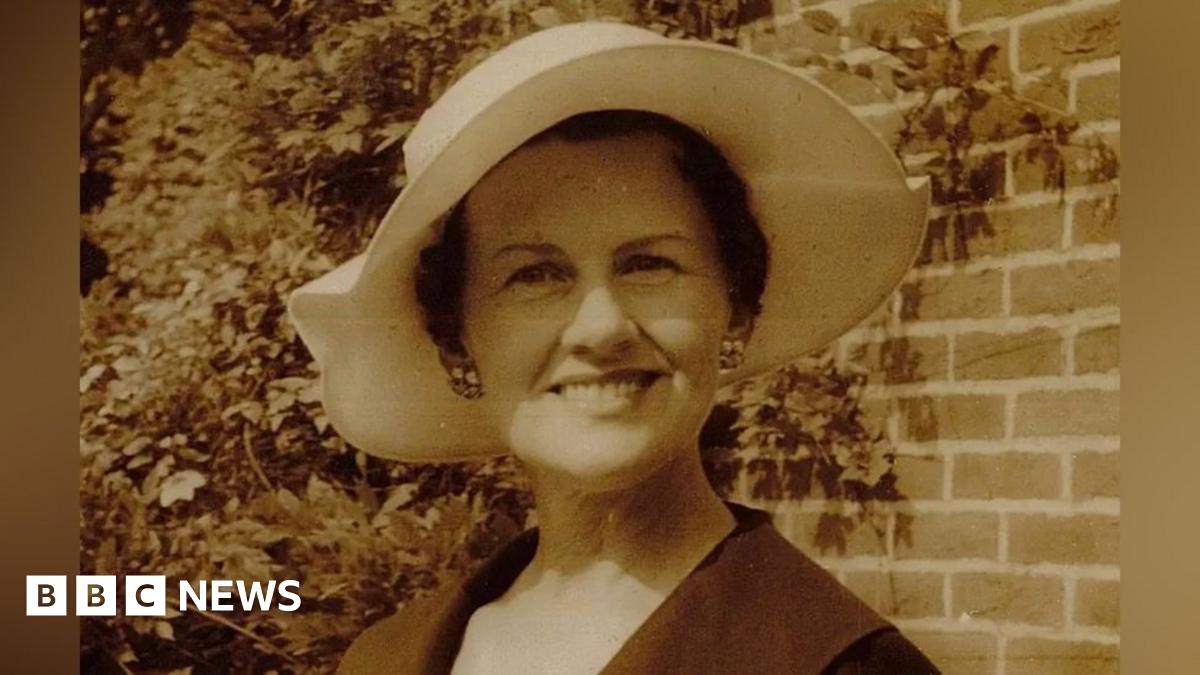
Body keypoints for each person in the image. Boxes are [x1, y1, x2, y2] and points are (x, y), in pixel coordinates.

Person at [288, 22, 936, 675]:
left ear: (735, 307)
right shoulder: (385, 660)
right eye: (534, 275)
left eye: (649, 264)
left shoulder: (838, 664)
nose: (601, 327)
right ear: (458, 343)